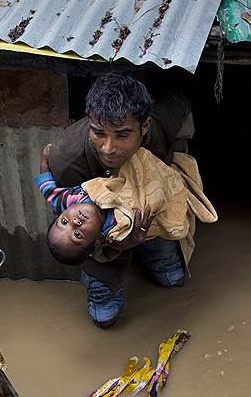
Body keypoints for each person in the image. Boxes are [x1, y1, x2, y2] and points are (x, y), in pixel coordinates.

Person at [46, 72, 200, 329]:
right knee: (105, 318)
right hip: (102, 234)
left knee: (173, 279)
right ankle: (103, 284)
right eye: (99, 133)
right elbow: (70, 228)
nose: (108, 148)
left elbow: (182, 111)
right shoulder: (68, 157)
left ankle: (157, 253)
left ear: (145, 126)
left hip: (150, 217)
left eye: (122, 134)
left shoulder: (163, 119)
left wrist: (177, 167)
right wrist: (116, 246)